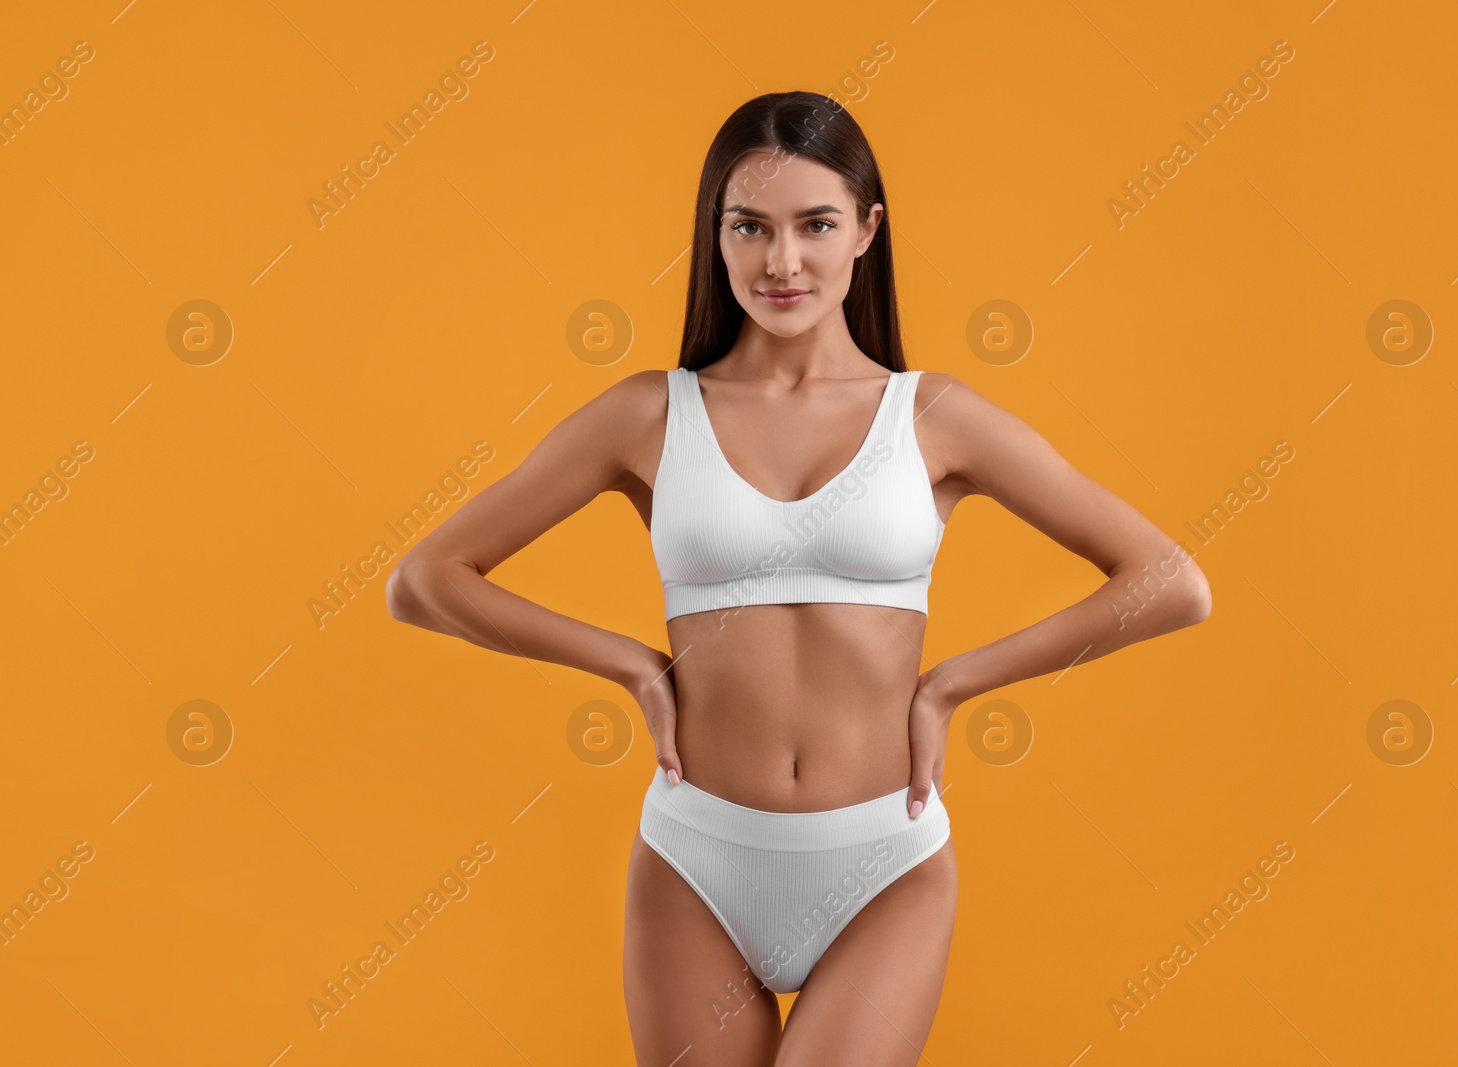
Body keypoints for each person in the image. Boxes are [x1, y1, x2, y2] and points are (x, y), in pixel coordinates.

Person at [386, 90, 1211, 1066]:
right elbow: (425, 577)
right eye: (751, 227)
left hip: (882, 860)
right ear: (717, 235)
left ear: (865, 230)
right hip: (694, 855)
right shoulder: (649, 414)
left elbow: (1169, 582)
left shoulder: (933, 414)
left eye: (815, 225)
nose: (782, 263)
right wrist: (630, 664)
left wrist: (953, 681)